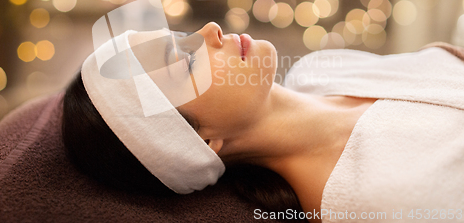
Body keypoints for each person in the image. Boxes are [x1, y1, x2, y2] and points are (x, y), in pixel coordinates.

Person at [63, 22, 464, 223]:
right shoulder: (374, 200)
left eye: (183, 34)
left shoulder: (318, 69)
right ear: (199, 142)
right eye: (186, 59)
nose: (210, 31)